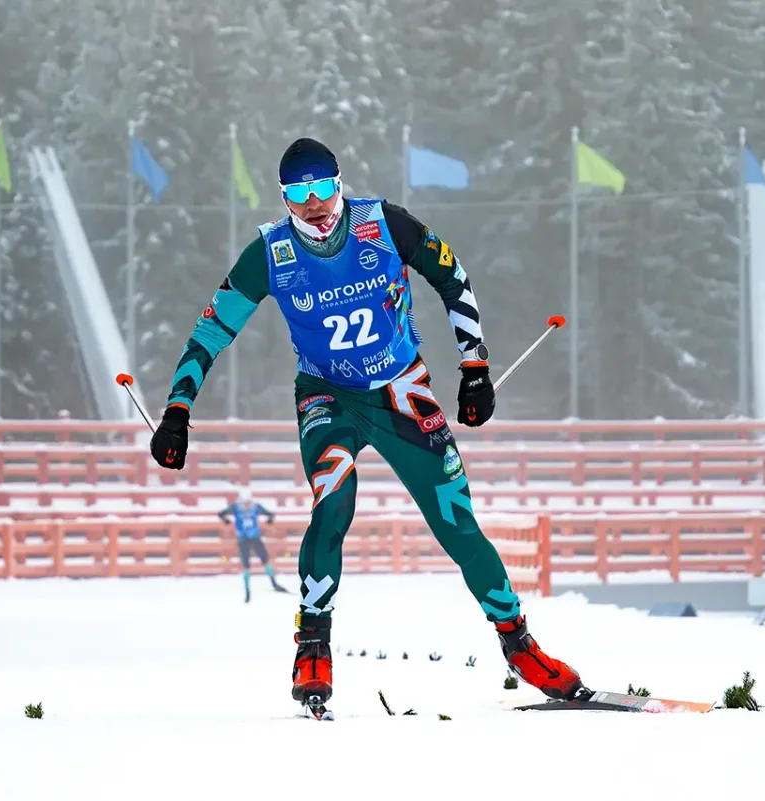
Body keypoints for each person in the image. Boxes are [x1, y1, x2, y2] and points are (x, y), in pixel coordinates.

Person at [149, 138, 584, 711]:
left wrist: (474, 366)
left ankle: (519, 645)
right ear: (284, 200)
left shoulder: (385, 224)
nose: (314, 205)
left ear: (339, 183)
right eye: (298, 194)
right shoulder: (269, 254)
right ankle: (312, 647)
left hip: (403, 392)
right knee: (334, 504)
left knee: (458, 525)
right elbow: (211, 331)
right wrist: (178, 409)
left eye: (323, 188)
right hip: (327, 396)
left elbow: (453, 279)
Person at [218, 487, 287, 602]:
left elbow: (270, 514)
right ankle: (247, 590)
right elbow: (221, 514)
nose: (246, 505)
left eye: (248, 503)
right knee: (246, 565)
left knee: (265, 560)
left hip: (255, 538)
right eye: (244, 503)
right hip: (243, 539)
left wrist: (270, 519)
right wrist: (226, 520)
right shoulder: (235, 507)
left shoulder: (256, 507)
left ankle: (274, 583)